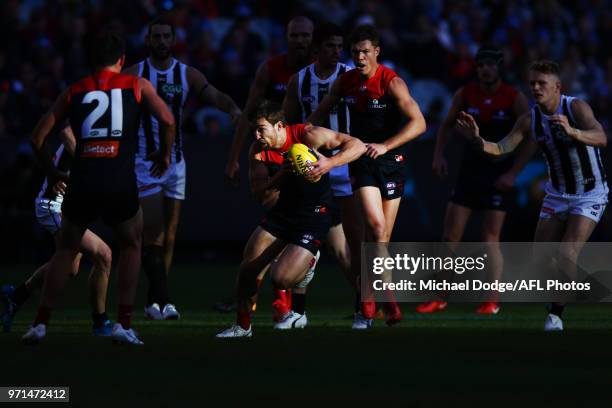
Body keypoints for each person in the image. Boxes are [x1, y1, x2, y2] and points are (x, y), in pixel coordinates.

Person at [23, 31, 175, 345]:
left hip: (83, 180)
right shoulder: (136, 85)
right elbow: (168, 120)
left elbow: (36, 138)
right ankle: (123, 324)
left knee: (65, 250)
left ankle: (40, 324)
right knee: (131, 245)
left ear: (92, 60)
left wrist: (52, 172)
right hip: (119, 179)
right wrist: (164, 153)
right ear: (122, 60)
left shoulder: (73, 91)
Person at [456, 59, 608, 331]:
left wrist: (573, 131)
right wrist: (477, 139)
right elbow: (502, 148)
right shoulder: (530, 119)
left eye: (542, 84)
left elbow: (601, 136)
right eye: (533, 83)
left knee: (567, 252)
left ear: (557, 87)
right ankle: (563, 290)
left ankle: (556, 315)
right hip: (557, 193)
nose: (536, 88)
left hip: (589, 192)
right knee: (540, 256)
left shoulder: (575, 107)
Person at [308, 25, 426, 329]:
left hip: (392, 162)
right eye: (355, 52)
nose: (359, 57)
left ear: (376, 52)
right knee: (374, 226)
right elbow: (317, 116)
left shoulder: (391, 82)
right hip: (360, 160)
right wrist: (301, 138)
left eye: (365, 52)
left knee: (381, 238)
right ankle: (369, 303)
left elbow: (419, 123)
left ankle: (382, 296)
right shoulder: (345, 82)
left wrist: (386, 145)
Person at [123, 17, 241, 320]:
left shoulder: (186, 73)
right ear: (148, 40)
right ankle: (160, 298)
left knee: (171, 235)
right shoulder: (136, 72)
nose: (161, 41)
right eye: (156, 36)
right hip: (145, 162)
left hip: (176, 163)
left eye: (166, 36)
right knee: (154, 233)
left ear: (174, 40)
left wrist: (232, 108)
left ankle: (156, 301)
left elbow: (213, 94)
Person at [216, 101, 366, 337]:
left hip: (314, 216)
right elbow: (258, 195)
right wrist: (282, 175)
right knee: (248, 269)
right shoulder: (257, 150)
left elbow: (357, 146)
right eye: (254, 129)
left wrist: (328, 163)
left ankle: (310, 264)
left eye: (261, 129)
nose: (256, 135)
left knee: (281, 280)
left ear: (278, 126)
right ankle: (242, 327)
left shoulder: (307, 135)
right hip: (283, 212)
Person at [417, 48, 529, 315]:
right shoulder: (465, 94)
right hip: (468, 173)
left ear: (499, 68)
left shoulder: (514, 98)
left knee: (490, 237)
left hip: (498, 175)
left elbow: (531, 136)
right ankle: (440, 296)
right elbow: (445, 125)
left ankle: (492, 300)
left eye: (490, 65)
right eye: (481, 66)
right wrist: (438, 155)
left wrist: (514, 173)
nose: (485, 70)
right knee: (450, 236)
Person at [222, 16, 314, 318]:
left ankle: (295, 307)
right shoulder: (271, 69)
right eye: (295, 35)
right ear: (286, 36)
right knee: (275, 217)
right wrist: (234, 156)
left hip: (309, 155)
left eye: (305, 35)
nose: (300, 40)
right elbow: (249, 111)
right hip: (274, 154)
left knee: (326, 239)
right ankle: (273, 305)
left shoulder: (318, 70)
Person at [281, 22, 362, 327]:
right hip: (311, 167)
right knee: (305, 239)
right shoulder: (298, 81)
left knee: (350, 245)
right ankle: (298, 312)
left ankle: (363, 307)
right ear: (317, 49)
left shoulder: (352, 77)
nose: (337, 52)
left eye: (340, 46)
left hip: (347, 164)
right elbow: (288, 126)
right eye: (330, 45)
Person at [1, 128, 113, 336]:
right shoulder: (85, 125)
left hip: (70, 208)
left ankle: (16, 297)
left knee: (69, 267)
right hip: (53, 206)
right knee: (104, 255)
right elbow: (64, 131)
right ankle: (100, 322)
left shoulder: (101, 132)